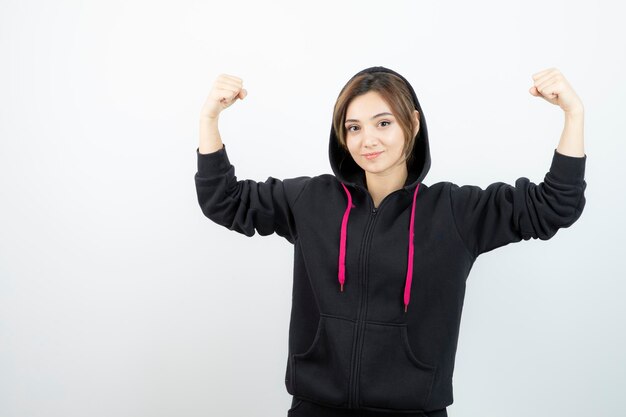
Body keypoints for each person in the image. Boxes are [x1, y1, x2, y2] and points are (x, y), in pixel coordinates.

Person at [194, 66, 587, 417]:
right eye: (354, 127)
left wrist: (574, 114)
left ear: (412, 124)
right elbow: (224, 201)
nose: (369, 140)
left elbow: (554, 206)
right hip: (315, 408)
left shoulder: (455, 211)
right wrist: (210, 117)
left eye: (383, 123)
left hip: (413, 410)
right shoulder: (310, 201)